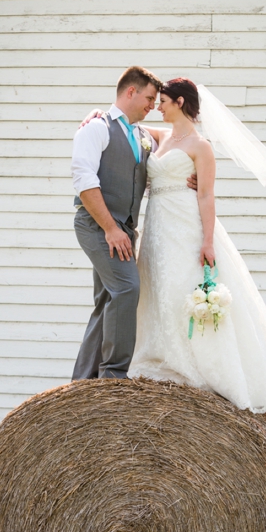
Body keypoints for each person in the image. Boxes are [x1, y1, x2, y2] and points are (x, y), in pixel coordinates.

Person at [126, 78, 266, 417]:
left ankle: (199, 367)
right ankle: (163, 359)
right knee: (158, 288)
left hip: (186, 226)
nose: (157, 106)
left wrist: (207, 240)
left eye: (162, 101)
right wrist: (100, 115)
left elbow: (206, 195)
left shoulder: (201, 146)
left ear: (179, 102)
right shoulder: (163, 137)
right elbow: (130, 122)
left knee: (183, 286)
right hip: (157, 228)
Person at [71, 66, 169, 380]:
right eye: (150, 98)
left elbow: (178, 135)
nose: (153, 106)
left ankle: (84, 381)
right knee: (126, 289)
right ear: (131, 91)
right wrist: (111, 229)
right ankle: (113, 376)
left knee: (106, 301)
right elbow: (84, 181)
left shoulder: (142, 135)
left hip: (125, 229)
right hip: (97, 225)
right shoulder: (96, 129)